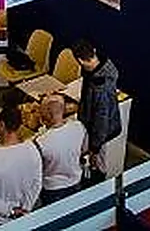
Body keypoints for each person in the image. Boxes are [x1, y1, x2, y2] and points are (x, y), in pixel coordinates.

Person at [0, 105, 41, 229]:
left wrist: (11, 211)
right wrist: (25, 209)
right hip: (23, 217)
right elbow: (37, 184)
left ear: (2, 125)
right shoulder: (32, 149)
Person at [73, 40, 122, 177]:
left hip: (99, 134)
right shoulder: (102, 67)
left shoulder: (100, 88)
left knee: (97, 169)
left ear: (80, 61)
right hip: (97, 131)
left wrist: (94, 149)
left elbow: (102, 119)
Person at [33, 92, 86, 205]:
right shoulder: (78, 127)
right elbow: (83, 150)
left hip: (52, 190)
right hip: (76, 182)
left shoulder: (41, 142)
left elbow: (37, 169)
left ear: (48, 115)